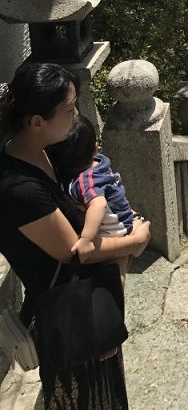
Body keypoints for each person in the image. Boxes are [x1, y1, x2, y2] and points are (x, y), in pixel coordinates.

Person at [0, 63, 151, 410]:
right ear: (37, 122)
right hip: (71, 318)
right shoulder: (19, 190)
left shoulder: (44, 150)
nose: (77, 116)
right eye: (69, 110)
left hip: (85, 303)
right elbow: (75, 252)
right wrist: (135, 241)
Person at [49, 115, 136, 280]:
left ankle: (116, 296)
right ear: (95, 149)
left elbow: (99, 204)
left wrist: (87, 239)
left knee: (115, 271)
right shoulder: (99, 161)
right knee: (118, 266)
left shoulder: (85, 181)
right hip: (124, 219)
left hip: (113, 229)